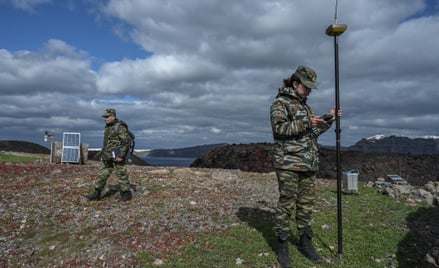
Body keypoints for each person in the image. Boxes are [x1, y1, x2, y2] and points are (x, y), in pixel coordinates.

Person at [270, 65, 342, 267]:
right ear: (295, 83)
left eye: (311, 87)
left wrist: (329, 120)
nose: (309, 90)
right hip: (288, 163)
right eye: (306, 86)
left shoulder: (305, 107)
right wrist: (307, 123)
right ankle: (282, 244)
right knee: (287, 204)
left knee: (306, 205)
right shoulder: (280, 103)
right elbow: (279, 129)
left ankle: (305, 242)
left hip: (308, 163)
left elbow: (311, 133)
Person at [85, 108, 132, 202]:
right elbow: (106, 143)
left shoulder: (120, 127)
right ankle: (97, 193)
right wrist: (103, 155)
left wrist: (121, 156)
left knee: (121, 174)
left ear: (113, 116)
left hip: (117, 156)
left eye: (107, 116)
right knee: (102, 174)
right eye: (104, 117)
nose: (105, 119)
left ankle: (126, 194)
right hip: (107, 156)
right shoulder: (107, 127)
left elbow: (125, 142)